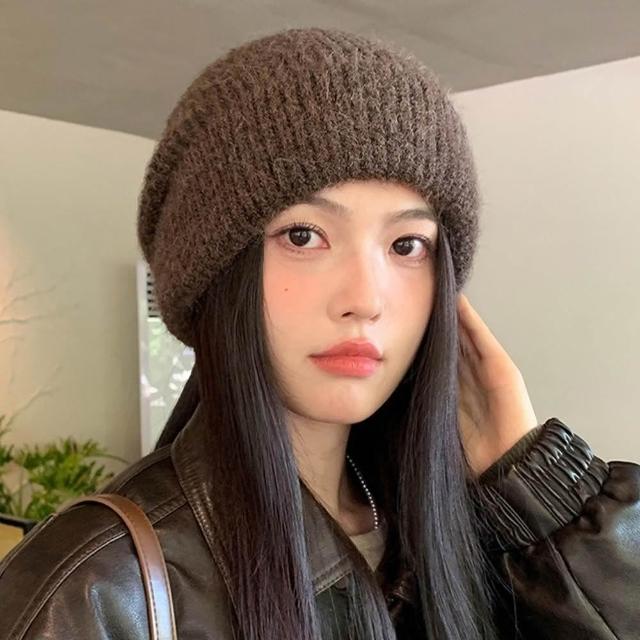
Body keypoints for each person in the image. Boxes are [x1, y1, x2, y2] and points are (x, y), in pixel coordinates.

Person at [0, 26, 638, 640]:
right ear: (215, 275)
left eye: (407, 244)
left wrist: (547, 500)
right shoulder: (96, 590)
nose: (365, 300)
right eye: (303, 235)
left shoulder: (466, 539)